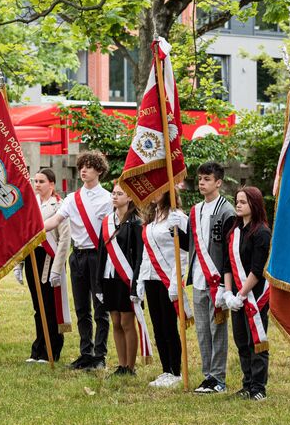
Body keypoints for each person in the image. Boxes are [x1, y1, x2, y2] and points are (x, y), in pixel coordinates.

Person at [44, 152, 112, 370]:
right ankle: (86, 352)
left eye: (90, 167)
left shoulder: (107, 198)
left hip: (98, 255)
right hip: (78, 256)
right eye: (82, 166)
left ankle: (100, 355)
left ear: (99, 171)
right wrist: (34, 229)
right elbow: (56, 220)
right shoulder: (72, 198)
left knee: (101, 307)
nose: (84, 170)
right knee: (82, 308)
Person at [187, 161, 235, 394]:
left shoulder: (227, 211)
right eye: (200, 179)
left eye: (207, 179)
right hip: (198, 278)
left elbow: (230, 250)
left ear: (218, 182)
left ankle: (218, 377)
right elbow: (191, 245)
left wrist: (227, 288)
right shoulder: (196, 210)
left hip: (217, 281)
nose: (202, 183)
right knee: (203, 330)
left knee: (218, 330)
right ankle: (207, 375)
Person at [136, 189, 190, 388]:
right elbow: (145, 253)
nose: (153, 193)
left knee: (169, 326)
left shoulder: (178, 217)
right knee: (158, 326)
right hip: (151, 276)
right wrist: (140, 280)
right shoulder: (152, 218)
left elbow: (184, 252)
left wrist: (177, 280)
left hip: (167, 278)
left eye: (159, 190)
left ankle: (175, 371)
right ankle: (165, 369)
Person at [222, 186, 272, 401]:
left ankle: (259, 387)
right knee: (241, 340)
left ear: (254, 204)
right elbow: (226, 265)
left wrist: (242, 294)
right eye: (237, 201)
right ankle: (247, 382)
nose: (238, 205)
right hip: (235, 295)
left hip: (254, 295)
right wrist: (227, 293)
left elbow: (257, 269)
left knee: (256, 341)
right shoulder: (233, 231)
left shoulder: (261, 232)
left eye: (243, 201)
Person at [16, 168, 71, 363]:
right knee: (38, 307)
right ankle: (38, 348)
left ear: (52, 184)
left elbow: (64, 239)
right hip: (33, 257)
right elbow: (23, 237)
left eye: (41, 181)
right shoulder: (30, 205)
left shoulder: (59, 206)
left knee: (50, 306)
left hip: (50, 258)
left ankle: (52, 349)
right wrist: (18, 264)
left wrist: (58, 268)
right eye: (36, 181)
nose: (37, 185)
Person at [97, 182, 144, 377]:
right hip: (109, 277)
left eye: (119, 194)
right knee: (115, 321)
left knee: (127, 322)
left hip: (126, 279)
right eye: (113, 193)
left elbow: (140, 256)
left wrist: (136, 286)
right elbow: (101, 253)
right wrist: (98, 283)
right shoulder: (107, 221)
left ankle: (130, 367)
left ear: (130, 197)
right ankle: (121, 364)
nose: (115, 197)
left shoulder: (136, 222)